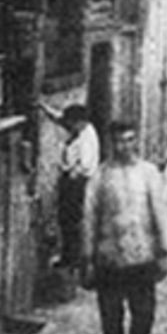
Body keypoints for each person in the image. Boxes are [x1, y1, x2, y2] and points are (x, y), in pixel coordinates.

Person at [84, 119, 167, 334]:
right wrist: (87, 258)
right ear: (111, 143)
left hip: (143, 257)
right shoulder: (100, 177)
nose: (125, 146)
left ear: (136, 141)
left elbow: (159, 211)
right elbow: (88, 218)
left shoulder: (148, 173)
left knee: (144, 316)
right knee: (111, 321)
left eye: (130, 140)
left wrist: (164, 251)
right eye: (119, 141)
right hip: (109, 259)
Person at [49, 102, 99, 266]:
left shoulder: (86, 137)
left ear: (79, 121)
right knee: (67, 220)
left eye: (70, 122)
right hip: (73, 181)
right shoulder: (80, 130)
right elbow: (59, 119)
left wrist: (69, 174)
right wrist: (42, 107)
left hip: (77, 183)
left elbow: (84, 165)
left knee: (70, 220)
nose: (68, 126)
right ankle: (73, 256)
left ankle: (72, 258)